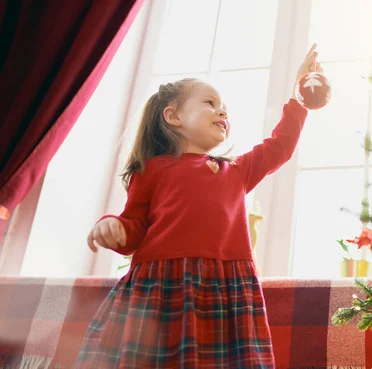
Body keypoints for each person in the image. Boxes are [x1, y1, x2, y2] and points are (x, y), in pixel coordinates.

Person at [76, 44, 322, 368]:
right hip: (160, 289)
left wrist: (299, 98)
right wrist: (114, 226)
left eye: (225, 108)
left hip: (227, 291)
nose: (223, 112)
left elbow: (281, 146)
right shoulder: (150, 170)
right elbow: (133, 227)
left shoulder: (236, 170)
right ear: (173, 116)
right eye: (210, 103)